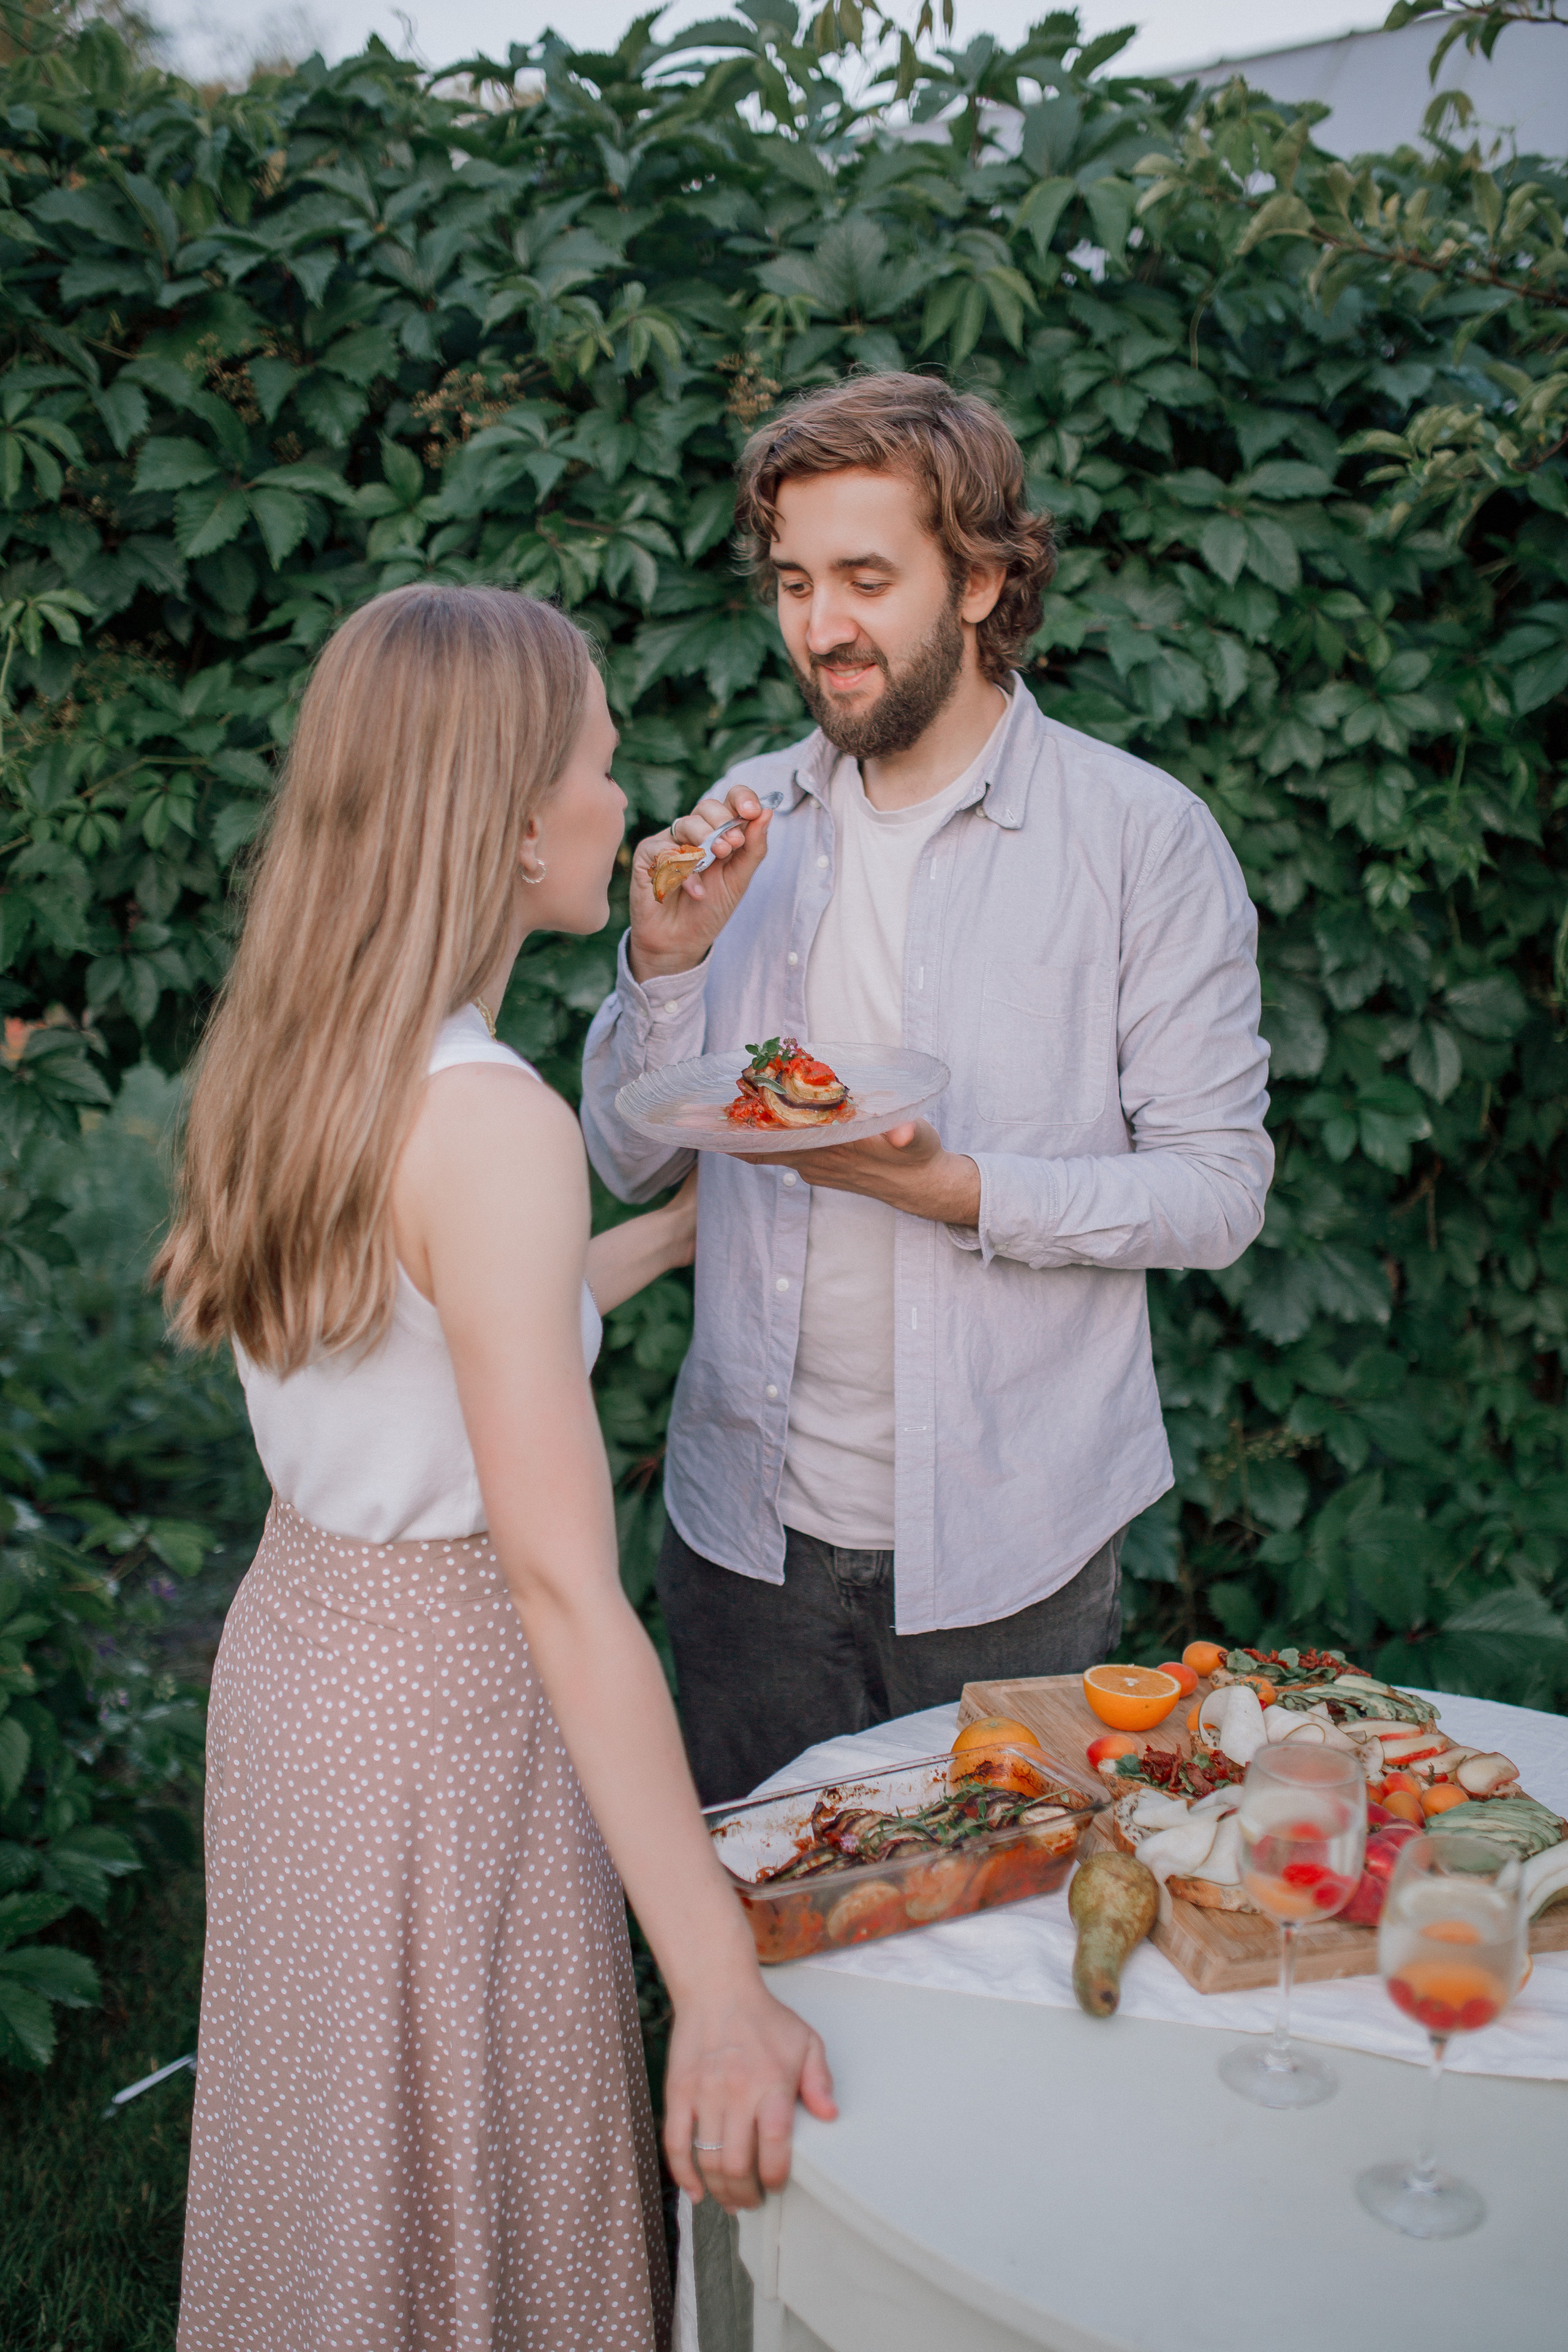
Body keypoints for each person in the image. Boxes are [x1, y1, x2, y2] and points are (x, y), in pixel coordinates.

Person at [155, 584, 834, 2352]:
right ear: (519, 819)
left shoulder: (306, 1043)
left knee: (344, 2175)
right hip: (442, 1710)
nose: (624, 800)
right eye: (601, 765)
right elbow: (558, 1582)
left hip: (297, 1667)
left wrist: (673, 1231)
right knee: (466, 2151)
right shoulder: (497, 1121)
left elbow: (436, 1333)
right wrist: (715, 1979)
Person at [582, 371, 1274, 1809]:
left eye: (864, 579)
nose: (820, 628)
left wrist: (955, 1191)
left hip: (1012, 1546)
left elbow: (1216, 1192)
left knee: (997, 1920)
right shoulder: (743, 820)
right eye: (792, 583)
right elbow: (629, 1159)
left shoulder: (1138, 838)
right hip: (745, 1538)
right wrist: (663, 965)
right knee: (749, 1912)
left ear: (978, 580)